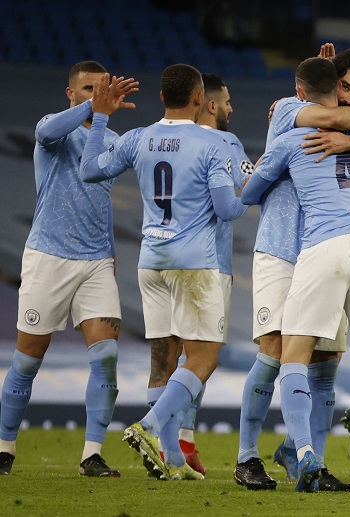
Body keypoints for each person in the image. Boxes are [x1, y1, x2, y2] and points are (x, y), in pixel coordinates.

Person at [236, 46, 350, 492]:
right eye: (345, 86)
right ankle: (247, 456)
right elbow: (343, 125)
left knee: (323, 357)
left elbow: (248, 193)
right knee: (275, 350)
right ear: (333, 86)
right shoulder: (290, 111)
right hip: (284, 246)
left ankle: (310, 457)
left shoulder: (339, 129)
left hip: (322, 247)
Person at [80, 64, 246, 480]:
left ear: (160, 98)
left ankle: (171, 458)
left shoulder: (138, 138)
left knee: (163, 359)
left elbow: (89, 168)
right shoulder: (214, 144)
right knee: (203, 357)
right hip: (196, 263)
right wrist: (253, 195)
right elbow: (227, 210)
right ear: (198, 99)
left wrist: (100, 117)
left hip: (151, 260)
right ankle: (150, 427)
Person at [0, 61, 138, 477]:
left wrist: (112, 251)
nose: (96, 95)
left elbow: (100, 201)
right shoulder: (53, 130)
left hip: (95, 260)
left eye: (101, 89)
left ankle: (91, 455)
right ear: (71, 94)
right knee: (28, 360)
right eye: (88, 89)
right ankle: (5, 448)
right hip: (49, 257)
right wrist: (94, 108)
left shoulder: (109, 140)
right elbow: (44, 133)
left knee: (106, 356)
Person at [165, 73, 256, 477]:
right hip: (207, 263)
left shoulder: (162, 138)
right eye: (228, 101)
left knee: (173, 355)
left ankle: (176, 441)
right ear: (211, 104)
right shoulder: (225, 143)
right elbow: (250, 182)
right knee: (202, 356)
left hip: (159, 257)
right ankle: (171, 439)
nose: (233, 108)